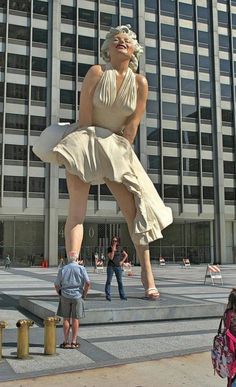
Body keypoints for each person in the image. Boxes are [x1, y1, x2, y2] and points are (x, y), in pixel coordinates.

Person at [33, 25, 173, 300]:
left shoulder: (140, 83)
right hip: (85, 138)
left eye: (126, 41)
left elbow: (131, 129)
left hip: (115, 146)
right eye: (116, 40)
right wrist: (87, 147)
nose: (121, 43)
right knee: (77, 212)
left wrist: (117, 151)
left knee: (135, 211)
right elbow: (85, 118)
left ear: (133, 51)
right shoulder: (97, 72)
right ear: (107, 49)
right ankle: (72, 270)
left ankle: (147, 275)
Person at [54, 255, 90, 349]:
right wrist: (84, 294)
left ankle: (65, 341)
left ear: (68, 259)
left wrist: (60, 293)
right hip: (77, 295)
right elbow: (88, 283)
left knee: (66, 319)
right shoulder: (81, 268)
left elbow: (56, 284)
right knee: (75, 319)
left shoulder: (63, 269)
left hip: (65, 295)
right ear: (77, 259)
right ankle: (74, 342)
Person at [105, 236, 128, 301]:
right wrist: (113, 250)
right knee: (109, 281)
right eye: (113, 241)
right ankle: (108, 295)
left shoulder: (120, 248)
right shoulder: (109, 248)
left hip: (118, 266)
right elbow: (111, 258)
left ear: (118, 241)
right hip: (111, 266)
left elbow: (126, 255)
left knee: (120, 281)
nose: (114, 242)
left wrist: (122, 261)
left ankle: (122, 296)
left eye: (115, 241)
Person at [224, 289, 236, 387]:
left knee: (231, 376)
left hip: (229, 349)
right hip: (234, 349)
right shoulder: (233, 315)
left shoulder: (227, 313)